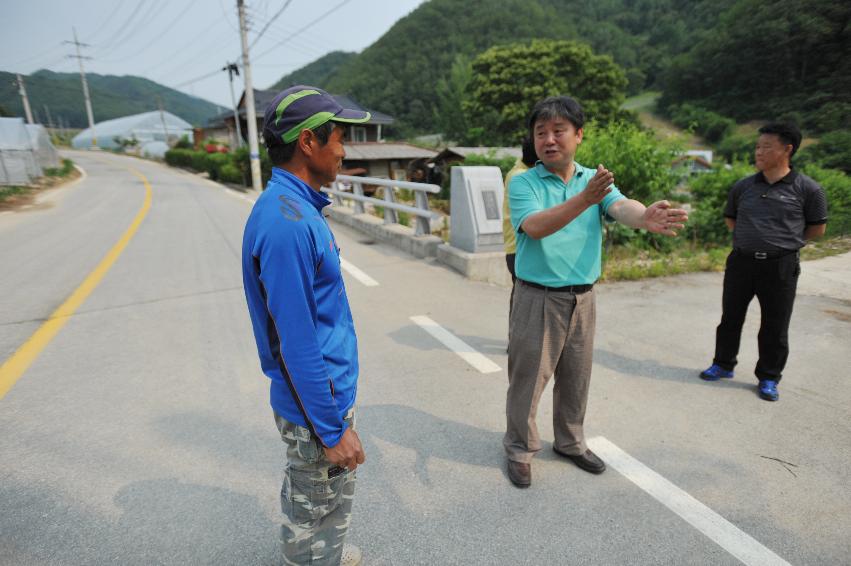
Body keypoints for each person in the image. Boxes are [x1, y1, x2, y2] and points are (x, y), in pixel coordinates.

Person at [504, 95, 688, 488]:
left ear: (578, 135)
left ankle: (570, 442)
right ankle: (520, 448)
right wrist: (583, 200)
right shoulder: (524, 182)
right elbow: (534, 226)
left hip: (583, 297)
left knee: (577, 378)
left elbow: (621, 206)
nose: (549, 140)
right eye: (541, 133)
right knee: (528, 380)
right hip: (537, 296)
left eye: (559, 131)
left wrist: (646, 217)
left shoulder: (594, 180)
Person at [241, 85, 369, 565]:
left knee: (322, 497)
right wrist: (332, 431)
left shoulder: (296, 207)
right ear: (308, 144)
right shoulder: (288, 224)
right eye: (338, 138)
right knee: (312, 505)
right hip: (318, 402)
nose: (343, 151)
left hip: (325, 395)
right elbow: (294, 344)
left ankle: (326, 554)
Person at [700, 122, 827, 402]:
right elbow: (731, 219)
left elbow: (816, 228)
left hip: (780, 266)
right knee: (730, 317)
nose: (759, 152)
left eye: (766, 147)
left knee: (775, 324)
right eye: (757, 147)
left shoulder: (808, 189)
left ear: (787, 149)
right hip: (741, 262)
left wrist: (782, 245)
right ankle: (723, 364)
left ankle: (769, 377)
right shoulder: (743, 186)